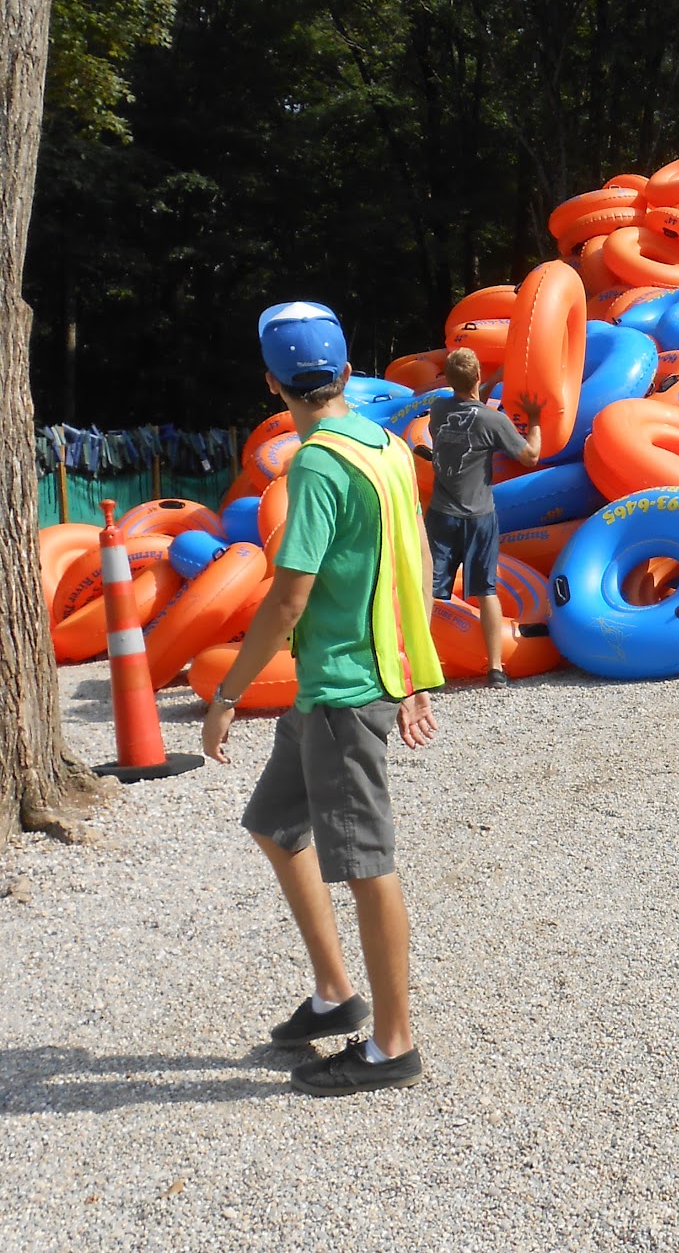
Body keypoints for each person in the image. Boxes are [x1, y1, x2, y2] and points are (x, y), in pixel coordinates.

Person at [202, 301, 444, 1096]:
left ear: (272, 384)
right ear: (345, 373)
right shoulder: (385, 444)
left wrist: (228, 693)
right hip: (338, 684)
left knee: (368, 865)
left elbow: (285, 602)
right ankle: (336, 995)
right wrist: (410, 672)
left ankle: (393, 1045)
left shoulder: (313, 464)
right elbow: (413, 563)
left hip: (343, 692)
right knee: (275, 825)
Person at [420, 347, 541, 685]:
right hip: (478, 517)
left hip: (441, 515)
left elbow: (468, 404)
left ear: (448, 378)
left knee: (428, 589)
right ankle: (495, 668)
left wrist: (487, 385)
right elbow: (530, 456)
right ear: (477, 376)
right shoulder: (494, 421)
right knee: (485, 591)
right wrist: (534, 419)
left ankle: (419, 665)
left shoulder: (440, 409)